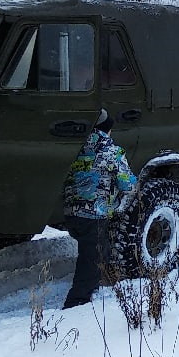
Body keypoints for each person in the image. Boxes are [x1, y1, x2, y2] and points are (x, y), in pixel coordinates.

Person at [61, 109, 137, 309]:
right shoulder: (111, 152)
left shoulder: (75, 148)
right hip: (94, 214)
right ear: (106, 130)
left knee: (99, 249)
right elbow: (128, 184)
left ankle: (103, 280)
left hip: (71, 213)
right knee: (91, 260)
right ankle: (77, 303)